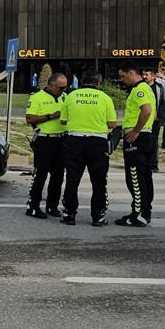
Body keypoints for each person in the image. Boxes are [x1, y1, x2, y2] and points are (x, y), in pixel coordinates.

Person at [58, 70, 117, 227]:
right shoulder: (105, 98)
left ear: (82, 82)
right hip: (97, 142)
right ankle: (98, 216)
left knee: (72, 179)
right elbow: (112, 124)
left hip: (74, 140)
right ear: (99, 83)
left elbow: (63, 120)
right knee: (98, 181)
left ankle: (69, 214)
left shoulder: (71, 96)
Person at [115, 60, 156, 227]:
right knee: (144, 177)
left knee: (135, 178)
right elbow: (153, 115)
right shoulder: (147, 89)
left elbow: (146, 111)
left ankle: (139, 214)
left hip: (137, 139)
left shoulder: (139, 90)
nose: (122, 80)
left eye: (123, 76)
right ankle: (142, 212)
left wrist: (136, 130)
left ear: (131, 73)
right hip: (145, 137)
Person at [23, 73, 68, 219]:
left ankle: (52, 205)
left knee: (58, 176)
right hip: (44, 139)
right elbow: (29, 119)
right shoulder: (37, 97)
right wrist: (50, 116)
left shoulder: (64, 97)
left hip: (60, 140)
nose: (63, 89)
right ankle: (33, 206)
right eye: (61, 87)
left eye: (65, 87)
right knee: (40, 174)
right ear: (51, 85)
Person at [141, 67, 165, 172]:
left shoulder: (159, 88)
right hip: (143, 120)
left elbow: (164, 102)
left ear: (153, 76)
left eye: (146, 75)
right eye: (143, 74)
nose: (144, 77)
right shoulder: (140, 87)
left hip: (154, 120)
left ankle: (153, 164)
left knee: (154, 142)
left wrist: (159, 116)